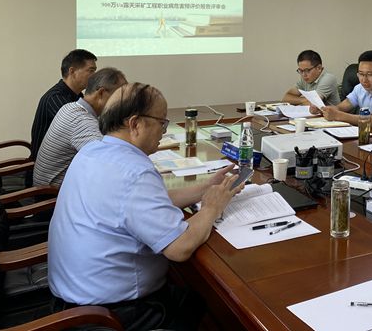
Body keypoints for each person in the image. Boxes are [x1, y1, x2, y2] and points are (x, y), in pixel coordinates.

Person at [49, 82, 241, 329]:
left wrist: (206, 188)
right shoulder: (134, 171)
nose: (163, 130)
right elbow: (179, 248)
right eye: (161, 122)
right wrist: (211, 208)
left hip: (73, 301)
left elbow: (145, 204)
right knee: (209, 305)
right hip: (111, 316)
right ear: (135, 124)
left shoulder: (93, 151)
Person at [32, 67, 126, 187]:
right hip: (52, 194)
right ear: (101, 93)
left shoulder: (71, 107)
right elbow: (110, 162)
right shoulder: (80, 120)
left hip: (50, 186)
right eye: (120, 98)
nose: (123, 105)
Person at [29, 49, 97, 160]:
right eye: (91, 71)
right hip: (47, 166)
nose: (95, 77)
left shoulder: (78, 96)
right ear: (72, 71)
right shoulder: (55, 98)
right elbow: (83, 129)